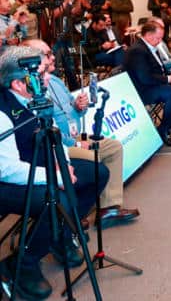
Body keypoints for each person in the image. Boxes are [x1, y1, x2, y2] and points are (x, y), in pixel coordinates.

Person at [0, 47, 106, 300]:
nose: (48, 77)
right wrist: (55, 177)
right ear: (17, 83)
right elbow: (7, 168)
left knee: (96, 173)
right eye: (41, 73)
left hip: (36, 167)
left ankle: (60, 235)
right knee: (59, 198)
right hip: (7, 180)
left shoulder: (35, 97)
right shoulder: (2, 111)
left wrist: (62, 163)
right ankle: (20, 264)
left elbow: (54, 133)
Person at [26, 39, 141, 228]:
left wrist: (79, 107)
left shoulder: (54, 81)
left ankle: (108, 208)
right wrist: (76, 144)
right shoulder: (33, 89)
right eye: (48, 54)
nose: (53, 57)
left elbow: (74, 109)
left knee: (113, 147)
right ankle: (72, 214)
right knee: (91, 158)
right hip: (59, 145)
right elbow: (44, 128)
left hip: (74, 136)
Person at [124, 21, 171, 147]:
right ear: (148, 35)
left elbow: (158, 69)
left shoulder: (149, 46)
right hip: (140, 90)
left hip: (152, 84)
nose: (160, 41)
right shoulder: (138, 50)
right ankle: (162, 129)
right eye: (158, 38)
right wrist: (169, 79)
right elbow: (145, 78)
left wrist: (170, 76)